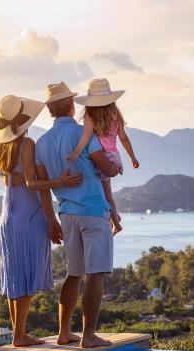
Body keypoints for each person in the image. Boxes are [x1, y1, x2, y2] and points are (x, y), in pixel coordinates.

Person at [0, 95, 82, 347]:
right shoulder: (27, 144)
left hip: (7, 217)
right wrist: (59, 183)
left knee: (15, 275)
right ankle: (20, 335)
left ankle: (17, 334)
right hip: (28, 216)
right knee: (26, 274)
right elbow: (34, 185)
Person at [35, 81, 120, 348]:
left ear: (50, 110)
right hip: (93, 212)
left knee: (73, 274)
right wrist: (115, 165)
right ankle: (88, 335)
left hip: (66, 214)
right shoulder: (84, 133)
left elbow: (43, 189)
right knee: (95, 275)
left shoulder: (41, 143)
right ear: (73, 105)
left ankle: (63, 332)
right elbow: (105, 167)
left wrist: (51, 219)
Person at [67, 78, 139, 235]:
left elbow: (86, 136)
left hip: (99, 158)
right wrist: (133, 158)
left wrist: (76, 153)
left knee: (104, 194)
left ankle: (116, 223)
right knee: (107, 193)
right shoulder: (115, 115)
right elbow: (124, 138)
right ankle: (115, 216)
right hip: (113, 157)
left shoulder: (90, 116)